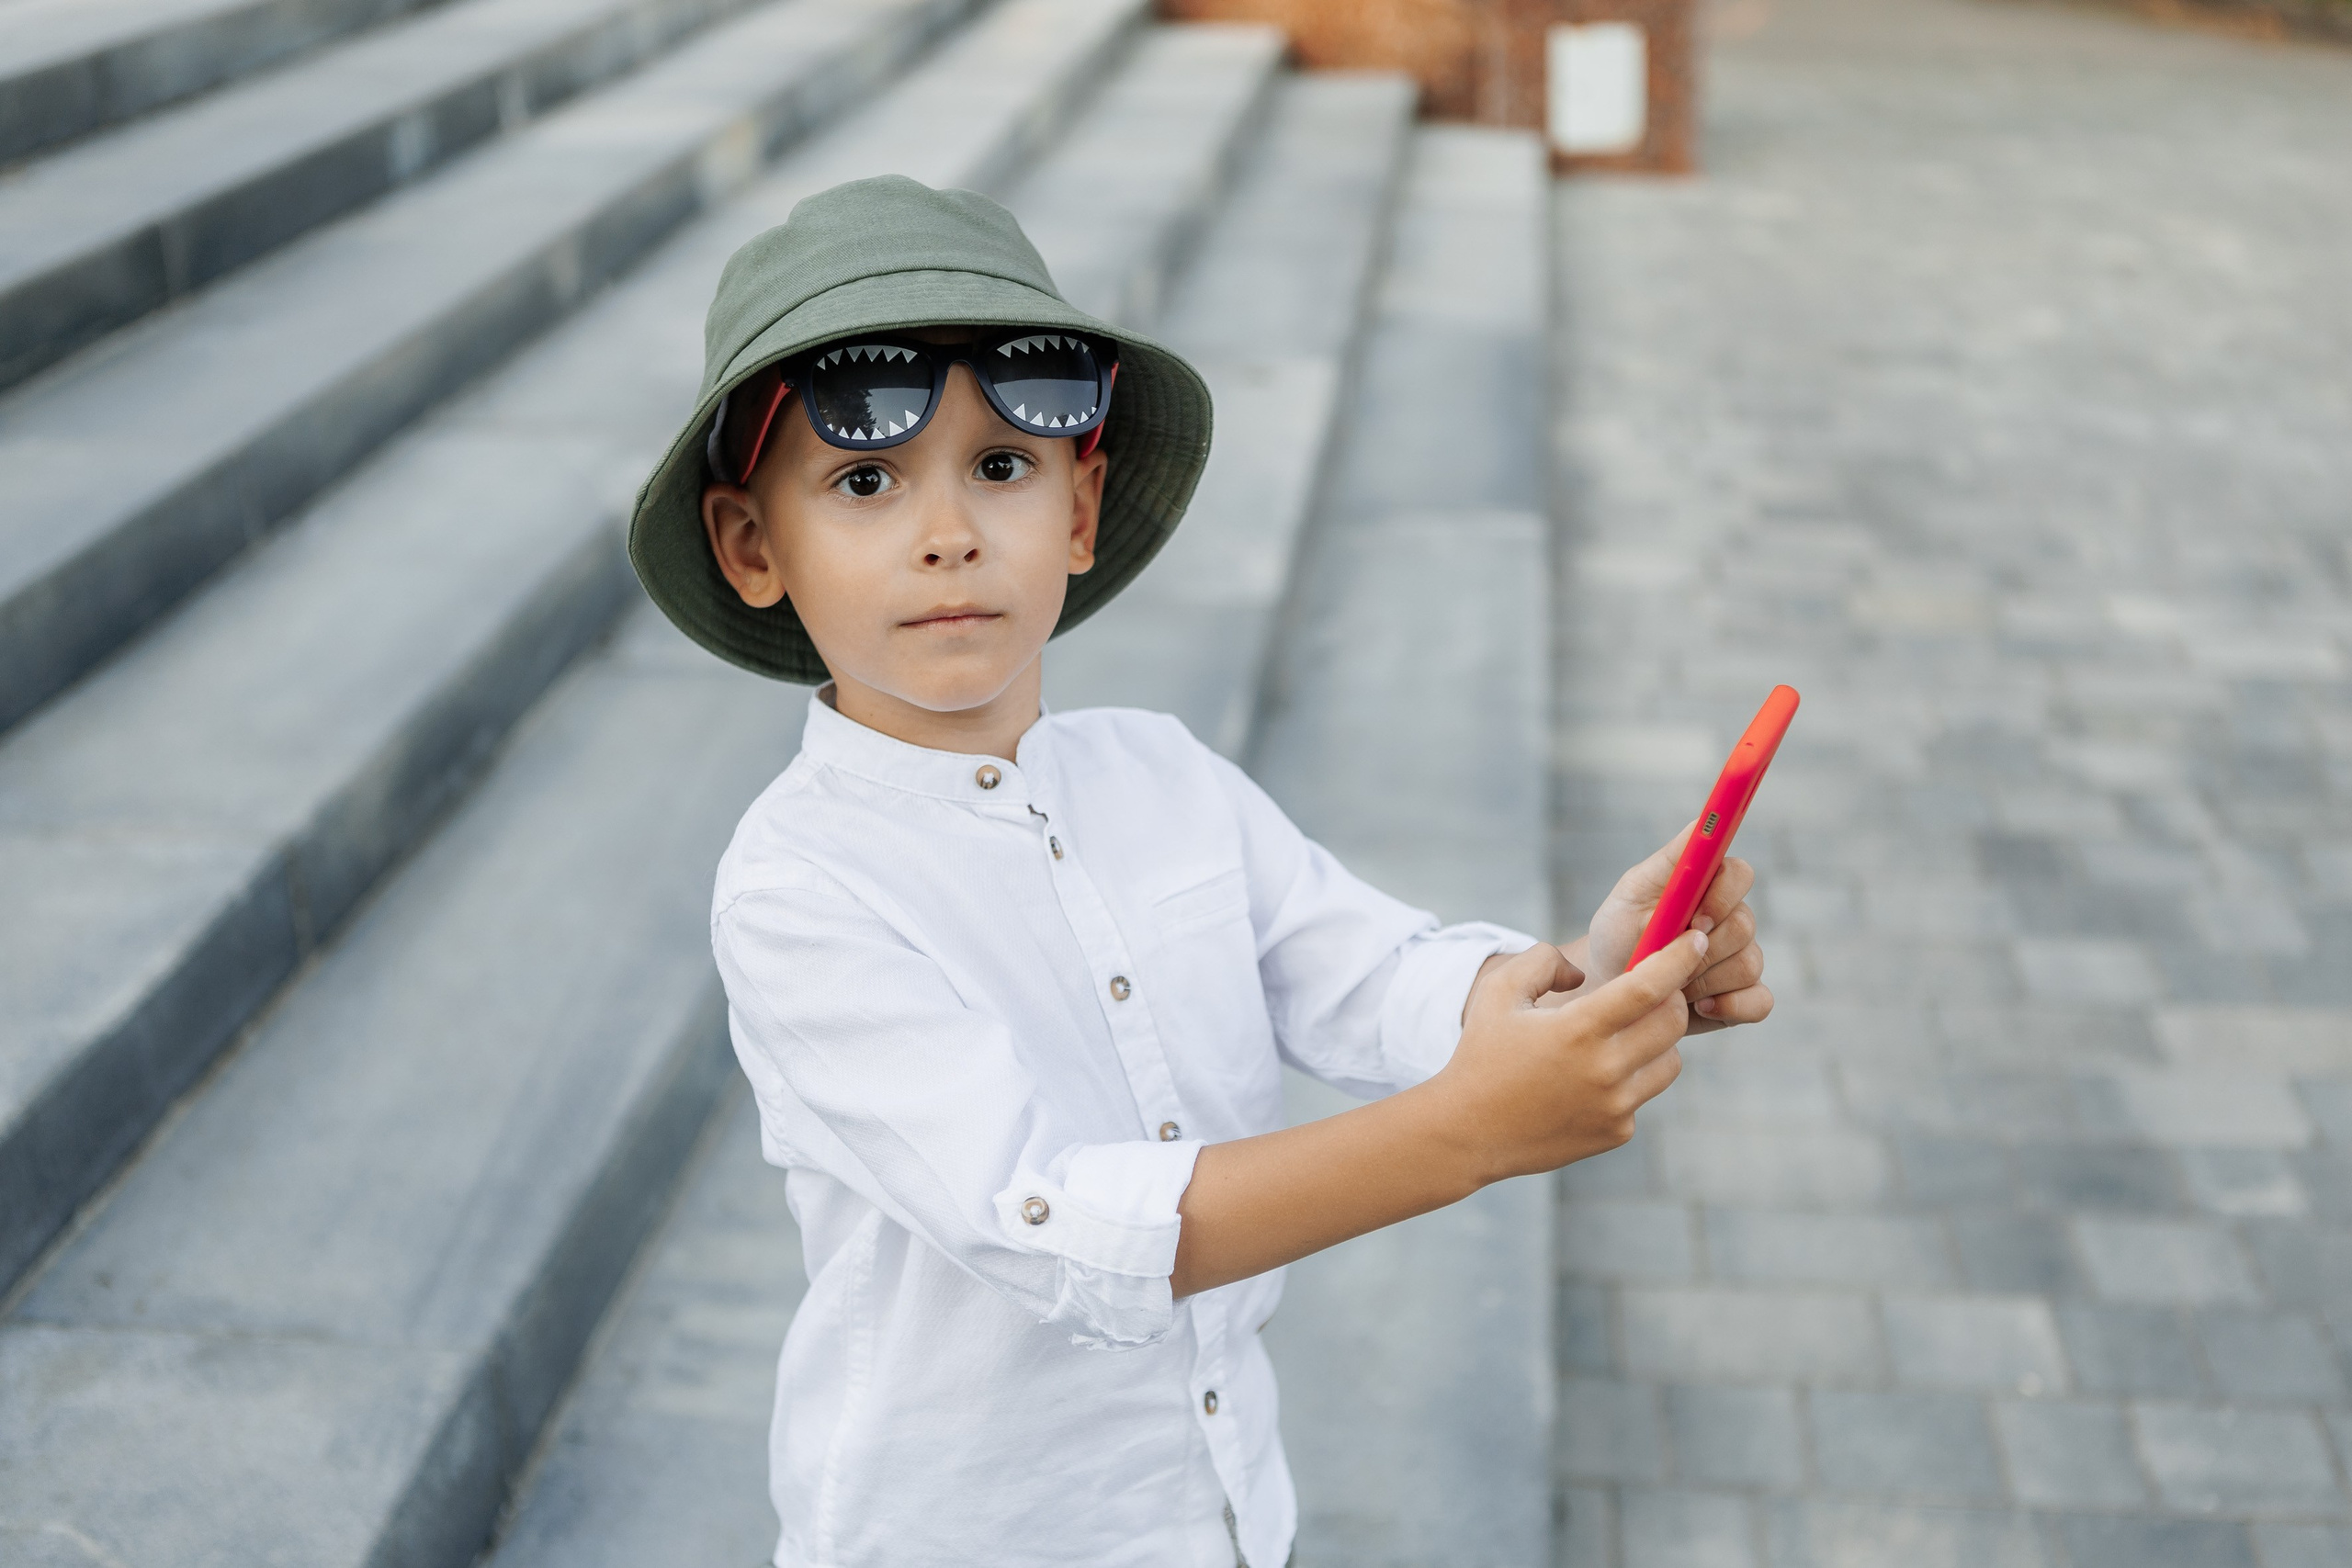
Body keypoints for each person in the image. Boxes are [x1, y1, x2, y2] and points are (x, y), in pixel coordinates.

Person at [626, 175, 1771, 1568]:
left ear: (1082, 507)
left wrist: (1586, 979)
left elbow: (1367, 972)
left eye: (1003, 467)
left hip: (1213, 1512)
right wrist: (1469, 1133)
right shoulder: (799, 888)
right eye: (865, 481)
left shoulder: (1161, 775)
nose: (949, 532)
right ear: (754, 545)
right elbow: (1050, 1226)